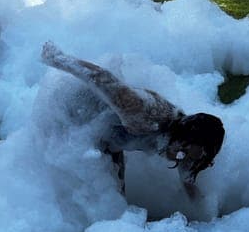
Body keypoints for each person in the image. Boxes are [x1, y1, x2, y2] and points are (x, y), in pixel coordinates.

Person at [40, 42, 224, 198]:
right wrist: (57, 58)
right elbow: (102, 78)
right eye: (184, 152)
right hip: (71, 107)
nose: (182, 159)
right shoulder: (147, 115)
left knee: (117, 199)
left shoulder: (183, 146)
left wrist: (205, 212)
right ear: (183, 135)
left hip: (106, 137)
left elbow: (188, 177)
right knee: (85, 189)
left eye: (191, 158)